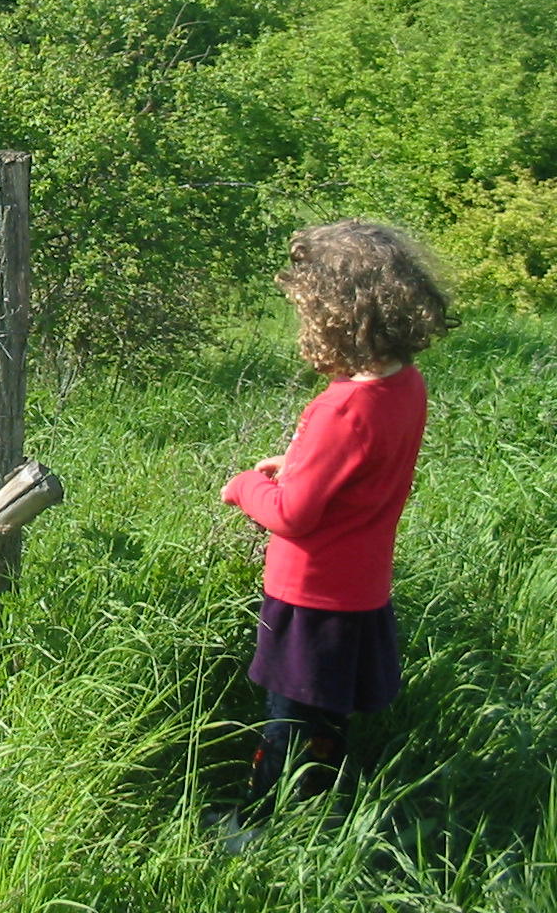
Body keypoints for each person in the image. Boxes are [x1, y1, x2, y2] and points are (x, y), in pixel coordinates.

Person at [219, 219, 453, 842]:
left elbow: (293, 514)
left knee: (286, 717)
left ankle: (256, 826)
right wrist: (294, 467)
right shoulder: (403, 385)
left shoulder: (341, 406)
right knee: (326, 712)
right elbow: (358, 473)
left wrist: (247, 485)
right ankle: (324, 813)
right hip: (360, 589)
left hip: (309, 593)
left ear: (334, 316)